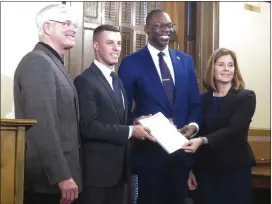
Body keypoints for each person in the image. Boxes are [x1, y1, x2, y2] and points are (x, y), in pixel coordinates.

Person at [118, 9, 202, 204]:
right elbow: (121, 109)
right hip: (149, 157)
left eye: (169, 26)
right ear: (147, 29)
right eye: (159, 25)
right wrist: (136, 122)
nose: (165, 30)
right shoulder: (131, 63)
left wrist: (194, 126)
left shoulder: (186, 61)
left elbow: (195, 104)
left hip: (180, 156)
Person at [74, 24, 156, 204]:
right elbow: (88, 127)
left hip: (120, 172)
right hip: (96, 176)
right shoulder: (85, 81)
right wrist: (131, 131)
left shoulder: (117, 80)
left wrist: (136, 122)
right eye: (110, 43)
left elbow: (116, 119)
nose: (116, 48)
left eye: (118, 43)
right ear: (96, 46)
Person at [13, 4, 81, 204]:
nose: (73, 29)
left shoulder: (52, 62)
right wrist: (61, 175)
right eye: (66, 23)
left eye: (74, 24)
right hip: (49, 182)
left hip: (59, 179)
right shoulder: (38, 62)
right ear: (47, 27)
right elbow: (42, 124)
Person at [182, 48, 256, 204]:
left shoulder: (246, 97)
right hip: (206, 171)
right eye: (221, 64)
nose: (226, 69)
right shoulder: (202, 99)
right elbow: (195, 132)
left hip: (235, 171)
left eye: (230, 65)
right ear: (212, 68)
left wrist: (202, 141)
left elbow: (233, 131)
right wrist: (190, 169)